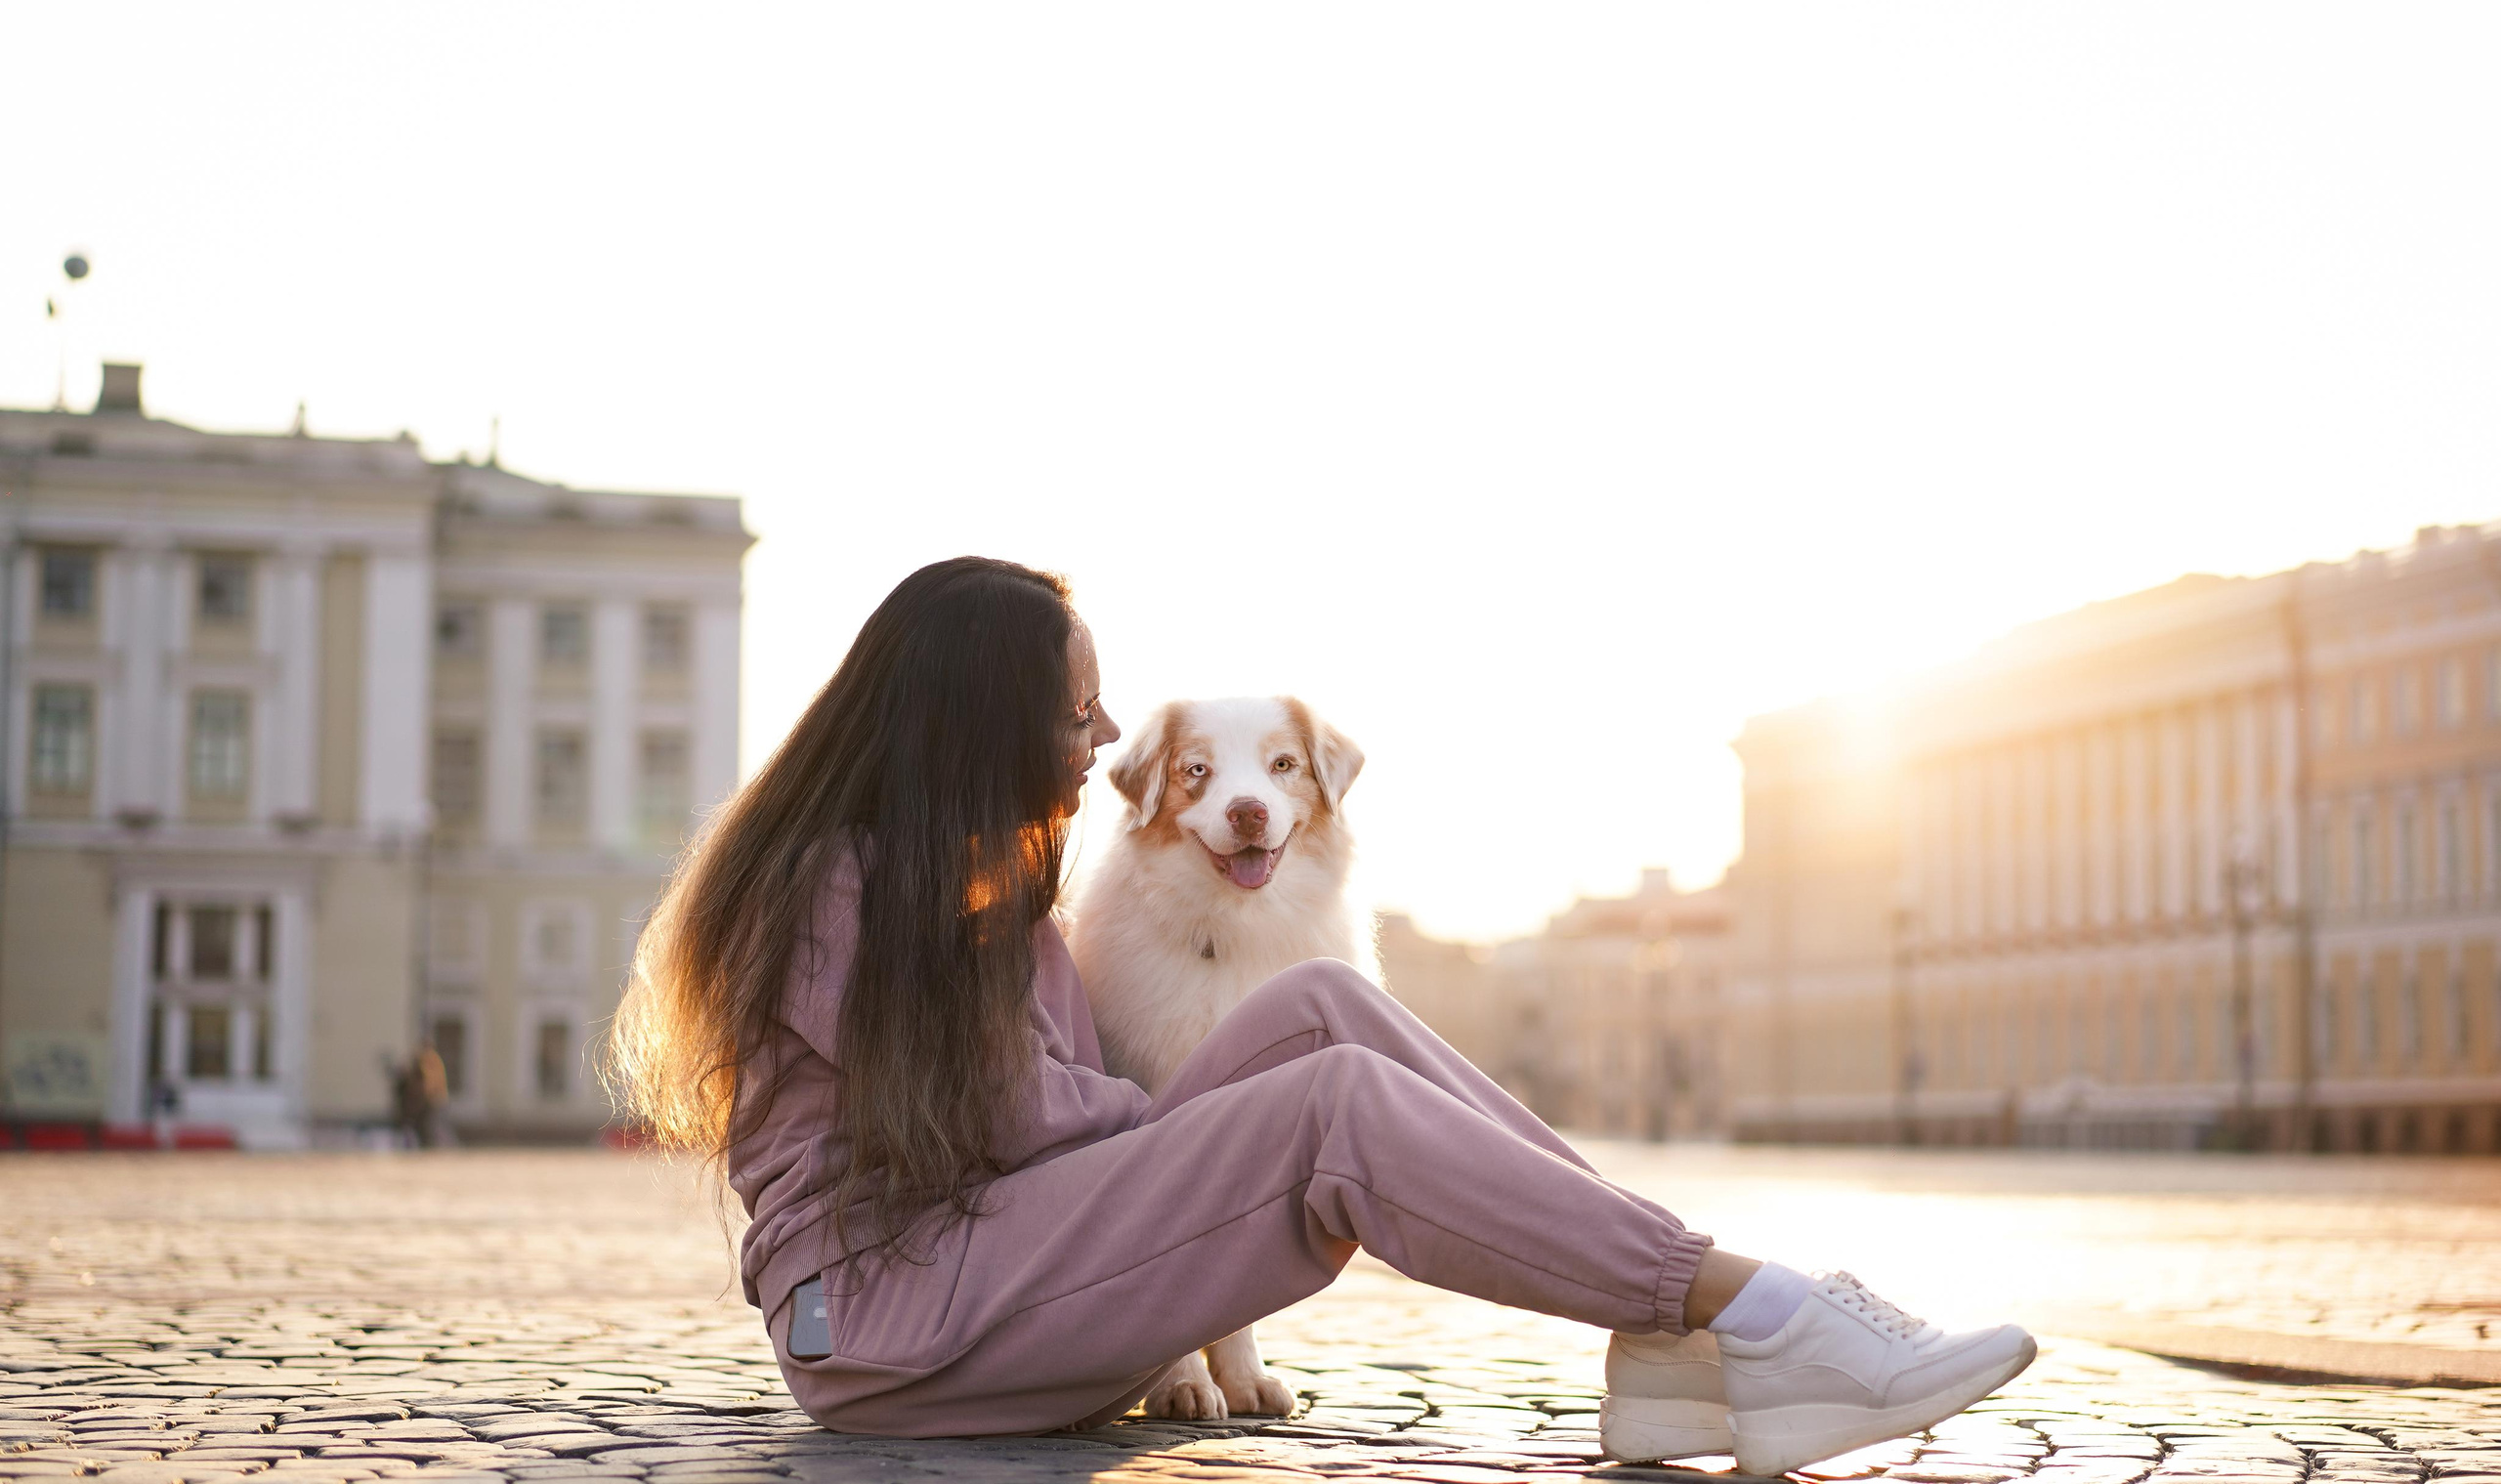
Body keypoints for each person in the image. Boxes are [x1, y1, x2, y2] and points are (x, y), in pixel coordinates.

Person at [607, 558, 2034, 1472]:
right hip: (878, 1323)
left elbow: (1054, 1124)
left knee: (1326, 1006)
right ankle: (1765, 1312)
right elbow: (1022, 1116)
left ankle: (1673, 1333)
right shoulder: (834, 886)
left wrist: (1220, 1104)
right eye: (1079, 708)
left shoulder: (990, 907)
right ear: (978, 720)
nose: (1104, 744)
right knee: (1327, 1102)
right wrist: (1228, 1127)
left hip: (975, 1270)